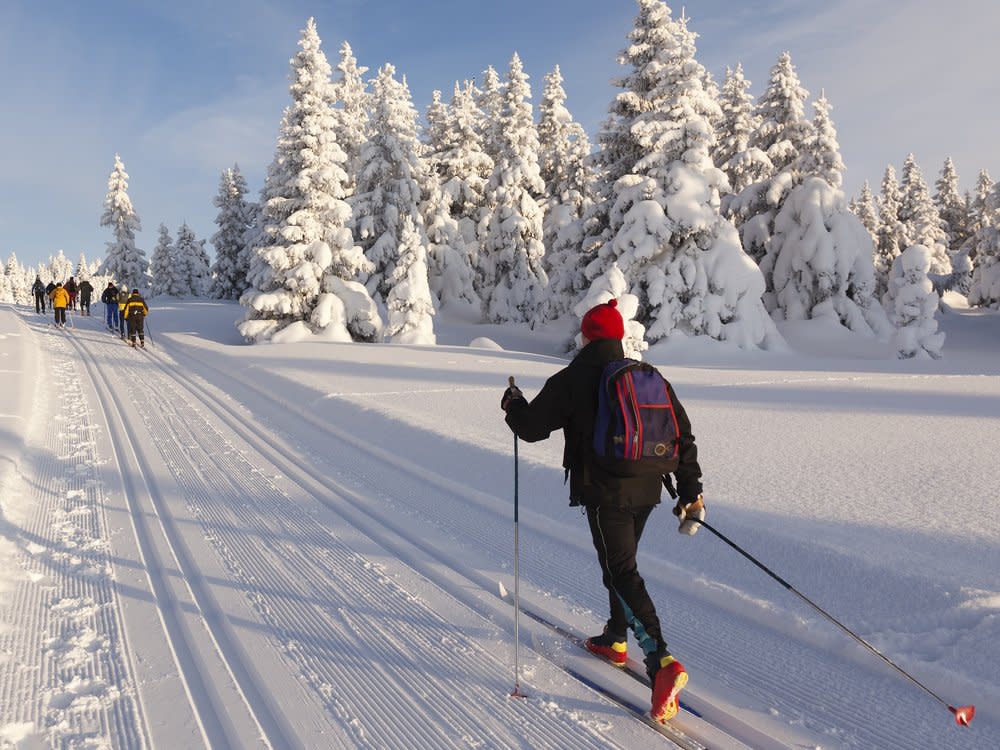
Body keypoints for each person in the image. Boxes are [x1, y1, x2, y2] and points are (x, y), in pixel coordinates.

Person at [501, 299, 705, 724]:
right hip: (649, 488)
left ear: (587, 336)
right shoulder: (649, 377)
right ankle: (615, 638)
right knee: (620, 564)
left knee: (620, 572)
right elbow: (682, 436)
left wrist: (513, 404)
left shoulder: (574, 378)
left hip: (604, 490)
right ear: (618, 337)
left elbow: (532, 428)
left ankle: (661, 663)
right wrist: (690, 492)